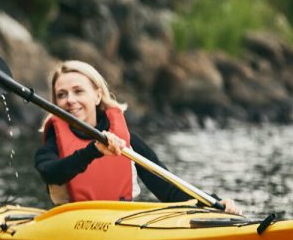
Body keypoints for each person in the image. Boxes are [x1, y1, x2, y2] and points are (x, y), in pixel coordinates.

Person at [34, 59, 241, 213]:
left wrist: (213, 203)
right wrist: (93, 151)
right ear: (55, 103)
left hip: (121, 223)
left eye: (78, 91)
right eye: (61, 95)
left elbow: (168, 189)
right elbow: (51, 173)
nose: (70, 100)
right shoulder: (52, 146)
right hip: (73, 225)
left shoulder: (126, 141)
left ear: (97, 95)